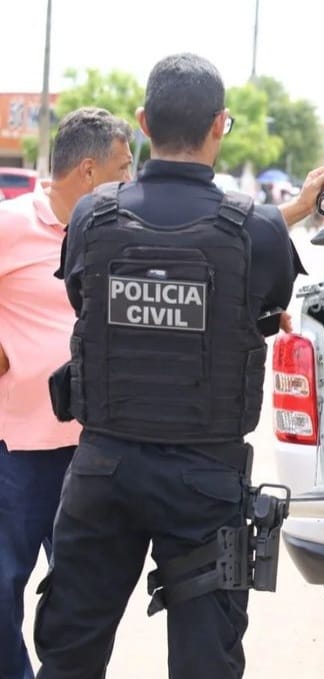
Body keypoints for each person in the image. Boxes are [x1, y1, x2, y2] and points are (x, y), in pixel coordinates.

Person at [33, 54, 324, 679]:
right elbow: (263, 310)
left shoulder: (93, 216)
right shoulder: (256, 229)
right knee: (205, 662)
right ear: (220, 125)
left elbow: (83, 303)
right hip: (204, 479)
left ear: (143, 123)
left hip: (105, 470)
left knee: (69, 654)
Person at [0, 108, 133, 679]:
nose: (130, 180)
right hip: (17, 452)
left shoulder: (115, 225)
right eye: (123, 167)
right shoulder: (10, 224)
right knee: (2, 584)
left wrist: (295, 212)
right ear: (87, 169)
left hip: (92, 450)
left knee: (83, 598)